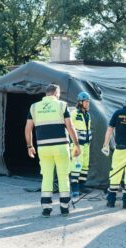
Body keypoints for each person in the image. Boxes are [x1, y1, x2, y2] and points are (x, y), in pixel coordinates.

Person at [25, 84, 80, 217]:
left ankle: (46, 209)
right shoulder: (62, 105)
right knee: (63, 175)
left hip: (43, 148)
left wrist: (30, 146)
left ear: (46, 93)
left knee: (47, 176)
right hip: (61, 146)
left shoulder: (34, 107)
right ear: (56, 93)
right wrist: (76, 144)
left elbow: (27, 129)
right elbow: (70, 126)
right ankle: (64, 208)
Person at [70, 92, 92, 197]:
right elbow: (68, 127)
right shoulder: (74, 113)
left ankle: (82, 186)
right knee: (76, 166)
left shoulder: (88, 115)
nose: (88, 103)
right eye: (86, 101)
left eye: (88, 102)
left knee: (85, 166)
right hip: (77, 145)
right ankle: (74, 188)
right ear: (80, 102)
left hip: (86, 145)